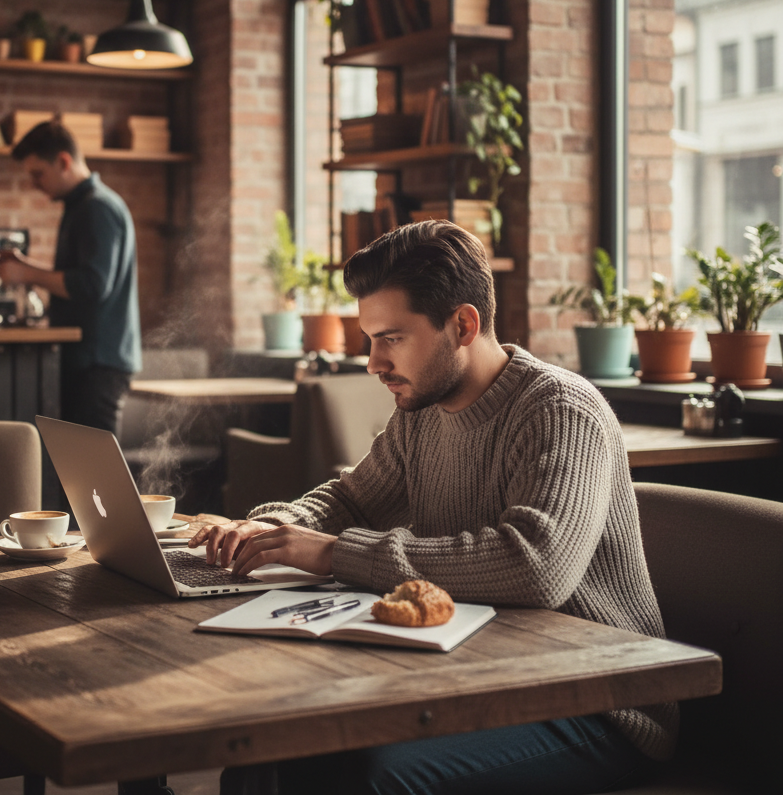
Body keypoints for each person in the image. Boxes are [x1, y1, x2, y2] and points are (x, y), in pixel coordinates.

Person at [191, 220, 675, 795]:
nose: (372, 362)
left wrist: (334, 554)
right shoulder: (420, 413)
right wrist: (278, 526)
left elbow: (535, 566)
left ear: (463, 325)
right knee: (266, 751)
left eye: (391, 337)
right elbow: (351, 498)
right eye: (370, 338)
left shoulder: (562, 411)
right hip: (475, 673)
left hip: (598, 701)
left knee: (365, 776)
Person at [0, 121, 141, 438]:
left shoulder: (98, 208)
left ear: (63, 162)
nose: (35, 184)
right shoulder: (82, 206)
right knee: (83, 478)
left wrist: (27, 274)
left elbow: (92, 285)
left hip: (98, 363)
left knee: (96, 481)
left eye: (38, 174)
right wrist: (26, 266)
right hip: (91, 361)